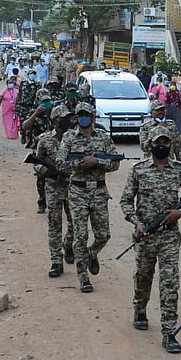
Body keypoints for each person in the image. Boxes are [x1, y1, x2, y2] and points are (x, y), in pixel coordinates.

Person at [120, 126, 181, 353]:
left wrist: (180, 213)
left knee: (170, 282)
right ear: (150, 145)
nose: (161, 146)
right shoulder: (138, 170)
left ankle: (169, 332)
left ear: (170, 145)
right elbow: (126, 201)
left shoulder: (179, 170)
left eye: (165, 143)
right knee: (143, 277)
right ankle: (140, 309)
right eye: (158, 143)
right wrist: (137, 222)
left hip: (169, 236)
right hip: (145, 235)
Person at [56, 102, 121, 293]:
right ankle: (83, 277)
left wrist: (96, 161)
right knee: (81, 235)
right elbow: (60, 164)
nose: (84, 118)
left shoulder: (103, 137)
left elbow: (115, 163)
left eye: (87, 114)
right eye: (81, 115)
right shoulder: (69, 137)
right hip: (78, 192)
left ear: (93, 116)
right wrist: (79, 164)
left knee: (103, 235)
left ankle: (92, 253)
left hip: (99, 191)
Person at [35, 104, 75, 277]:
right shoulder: (44, 139)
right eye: (63, 118)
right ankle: (56, 260)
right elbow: (37, 162)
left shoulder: (74, 137)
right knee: (54, 224)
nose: (67, 121)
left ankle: (68, 243)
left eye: (68, 118)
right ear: (55, 120)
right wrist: (45, 171)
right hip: (53, 186)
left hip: (73, 186)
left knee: (75, 223)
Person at [21, 89, 55, 213]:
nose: (46, 104)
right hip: (40, 150)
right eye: (43, 101)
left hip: (55, 149)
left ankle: (55, 201)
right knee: (41, 177)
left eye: (48, 101)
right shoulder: (33, 113)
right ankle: (42, 201)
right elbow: (25, 126)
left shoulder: (55, 112)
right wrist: (36, 113)